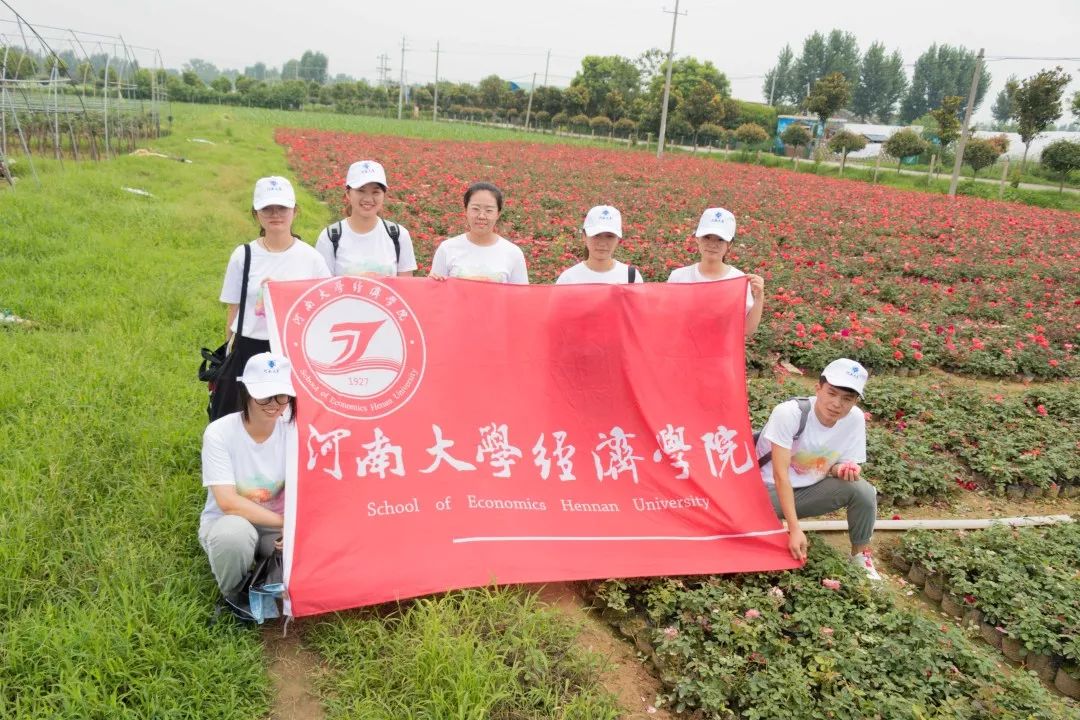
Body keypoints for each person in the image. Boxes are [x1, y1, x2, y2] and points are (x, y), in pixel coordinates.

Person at [213, 176, 329, 419]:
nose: (275, 214)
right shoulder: (243, 255)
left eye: (282, 208)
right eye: (267, 208)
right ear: (256, 214)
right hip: (248, 346)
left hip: (292, 348)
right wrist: (227, 354)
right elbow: (233, 310)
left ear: (295, 211)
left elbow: (322, 312)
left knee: (288, 418)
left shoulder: (311, 259)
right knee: (244, 415)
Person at [755, 358, 880, 580]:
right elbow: (780, 474)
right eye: (831, 393)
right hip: (766, 491)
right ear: (818, 388)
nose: (837, 404)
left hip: (807, 491)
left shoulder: (854, 420)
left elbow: (831, 466)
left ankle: (860, 555)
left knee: (862, 491)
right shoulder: (790, 413)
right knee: (762, 551)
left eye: (847, 399)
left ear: (855, 401)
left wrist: (841, 469)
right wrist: (794, 528)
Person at [199, 352, 296, 606]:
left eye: (282, 395)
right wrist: (287, 523)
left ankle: (267, 579)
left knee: (297, 577)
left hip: (276, 530)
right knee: (232, 537)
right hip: (232, 522)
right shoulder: (220, 433)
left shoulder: (296, 430)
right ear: (246, 393)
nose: (274, 404)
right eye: (264, 396)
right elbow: (228, 502)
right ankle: (234, 599)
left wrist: (295, 530)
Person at [666, 207, 764, 335]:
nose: (713, 244)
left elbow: (747, 330)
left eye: (720, 239)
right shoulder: (678, 277)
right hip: (683, 353)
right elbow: (668, 320)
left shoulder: (737, 280)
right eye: (707, 237)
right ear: (697, 238)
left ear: (729, 245)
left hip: (721, 354)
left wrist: (759, 297)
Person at [314, 160, 418, 277]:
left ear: (384, 195)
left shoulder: (399, 235)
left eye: (376, 192)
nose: (368, 199)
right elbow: (323, 288)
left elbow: (405, 287)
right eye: (361, 191)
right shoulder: (330, 237)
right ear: (348, 193)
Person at [429, 181, 528, 284]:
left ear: (498, 214)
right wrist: (434, 281)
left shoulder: (513, 253)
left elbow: (521, 296)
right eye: (475, 209)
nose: (481, 216)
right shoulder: (447, 248)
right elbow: (435, 291)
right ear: (466, 210)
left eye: (489, 210)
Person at [555, 205, 645, 285]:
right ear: (584, 236)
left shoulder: (631, 277)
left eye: (610, 236)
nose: (602, 243)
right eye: (596, 235)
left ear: (618, 239)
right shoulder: (568, 279)